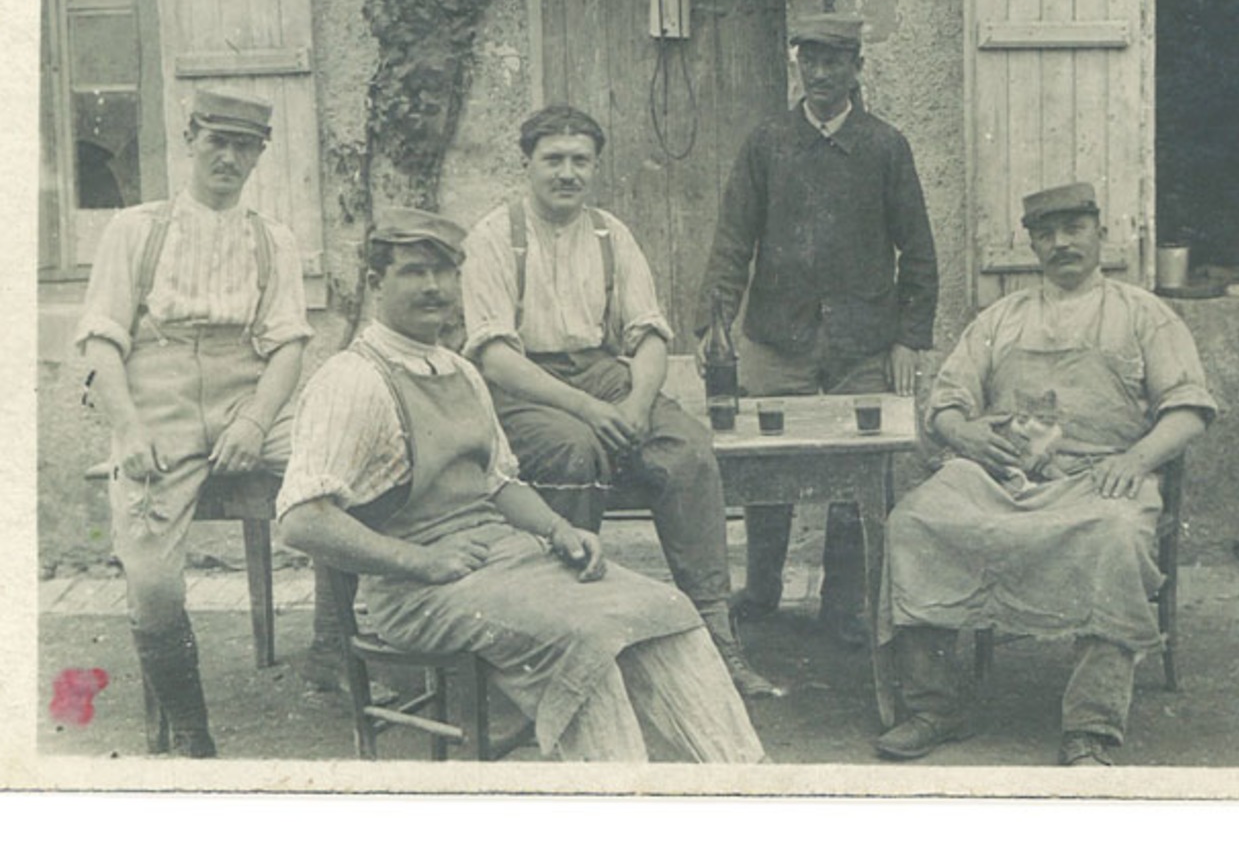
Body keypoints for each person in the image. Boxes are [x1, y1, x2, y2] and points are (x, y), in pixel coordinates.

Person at [277, 210, 766, 762]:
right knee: (586, 638)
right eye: (414, 272)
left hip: (504, 560)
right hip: (415, 590)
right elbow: (302, 520)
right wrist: (420, 562)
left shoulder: (460, 371)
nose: (433, 288)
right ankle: (618, 801)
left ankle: (745, 779)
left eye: (444, 273)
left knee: (669, 612)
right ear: (375, 283)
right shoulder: (350, 380)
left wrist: (560, 530)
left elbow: (499, 482)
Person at [875, 182, 1218, 766]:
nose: (1062, 243)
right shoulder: (1000, 318)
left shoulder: (1143, 315)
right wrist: (965, 433)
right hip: (1001, 474)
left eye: (1074, 229)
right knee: (915, 520)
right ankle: (936, 706)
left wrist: (1134, 460)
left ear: (1099, 234)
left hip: (1100, 475)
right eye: (1047, 234)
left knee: (1116, 535)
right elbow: (946, 404)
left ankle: (1092, 725)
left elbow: (1188, 409)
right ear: (1031, 244)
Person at [458, 106, 779, 699]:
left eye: (581, 161)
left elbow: (650, 334)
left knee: (686, 447)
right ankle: (565, 637)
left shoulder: (611, 233)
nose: (567, 174)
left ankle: (715, 635)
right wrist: (588, 411)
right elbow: (495, 357)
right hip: (524, 384)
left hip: (604, 374)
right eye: (553, 159)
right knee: (573, 449)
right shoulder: (493, 237)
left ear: (595, 168)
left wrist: (637, 403)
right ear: (526, 163)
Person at [76, 89, 312, 757]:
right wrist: (128, 429)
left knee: (342, 482)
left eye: (245, 147)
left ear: (260, 155)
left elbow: (289, 343)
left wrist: (257, 421)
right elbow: (101, 341)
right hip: (160, 398)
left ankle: (330, 648)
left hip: (250, 393)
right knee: (150, 581)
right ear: (190, 139)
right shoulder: (136, 230)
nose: (229, 158)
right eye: (217, 142)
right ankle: (190, 727)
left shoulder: (273, 240)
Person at [695, 13, 939, 648]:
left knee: (855, 479)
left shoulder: (886, 147)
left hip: (860, 343)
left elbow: (917, 250)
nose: (823, 75)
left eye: (836, 62)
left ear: (857, 68)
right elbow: (732, 240)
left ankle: (844, 606)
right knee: (762, 465)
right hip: (779, 338)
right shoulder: (767, 144)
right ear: (797, 65)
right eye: (811, 61)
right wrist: (713, 321)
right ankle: (763, 589)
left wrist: (909, 339)